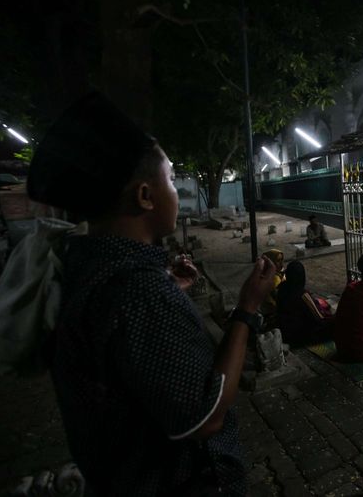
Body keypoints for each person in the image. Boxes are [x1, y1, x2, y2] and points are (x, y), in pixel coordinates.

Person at [26, 92, 275, 496]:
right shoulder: (136, 290)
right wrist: (247, 308)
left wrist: (169, 292)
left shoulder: (91, 265)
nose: (177, 192)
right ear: (145, 196)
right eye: (172, 180)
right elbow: (204, 417)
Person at [275, 261, 333, 347]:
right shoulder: (302, 295)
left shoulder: (282, 289)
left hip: (284, 331)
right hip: (299, 336)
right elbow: (319, 318)